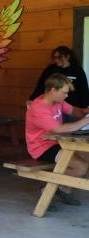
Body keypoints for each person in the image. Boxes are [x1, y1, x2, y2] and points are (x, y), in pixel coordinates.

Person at [26, 73, 89, 207]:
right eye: (64, 93)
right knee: (80, 166)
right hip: (41, 148)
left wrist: (84, 111)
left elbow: (73, 111)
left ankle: (62, 190)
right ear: (53, 90)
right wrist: (86, 120)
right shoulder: (38, 108)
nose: (66, 96)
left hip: (57, 143)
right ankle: (47, 191)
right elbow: (58, 129)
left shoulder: (57, 101)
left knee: (87, 158)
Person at [29, 46, 89, 110]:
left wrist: (84, 106)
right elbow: (40, 86)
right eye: (55, 57)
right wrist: (32, 99)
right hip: (53, 106)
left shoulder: (77, 70)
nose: (56, 60)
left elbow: (83, 88)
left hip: (72, 107)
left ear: (67, 57)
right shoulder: (50, 69)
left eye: (59, 57)